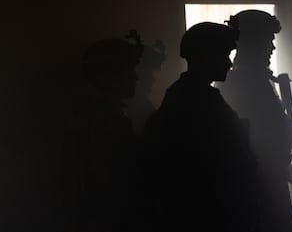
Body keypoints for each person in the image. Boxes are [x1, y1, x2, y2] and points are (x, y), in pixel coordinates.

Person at [141, 22, 260, 232]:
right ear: (205, 56)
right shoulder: (192, 99)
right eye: (223, 54)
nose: (229, 64)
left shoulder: (196, 95)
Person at [217, 10, 292, 232]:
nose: (272, 48)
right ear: (252, 43)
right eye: (267, 41)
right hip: (257, 190)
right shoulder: (238, 83)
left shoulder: (255, 79)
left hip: (267, 184)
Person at [67, 31, 148, 232]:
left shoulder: (98, 115)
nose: (136, 77)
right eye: (129, 70)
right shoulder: (103, 121)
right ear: (109, 76)